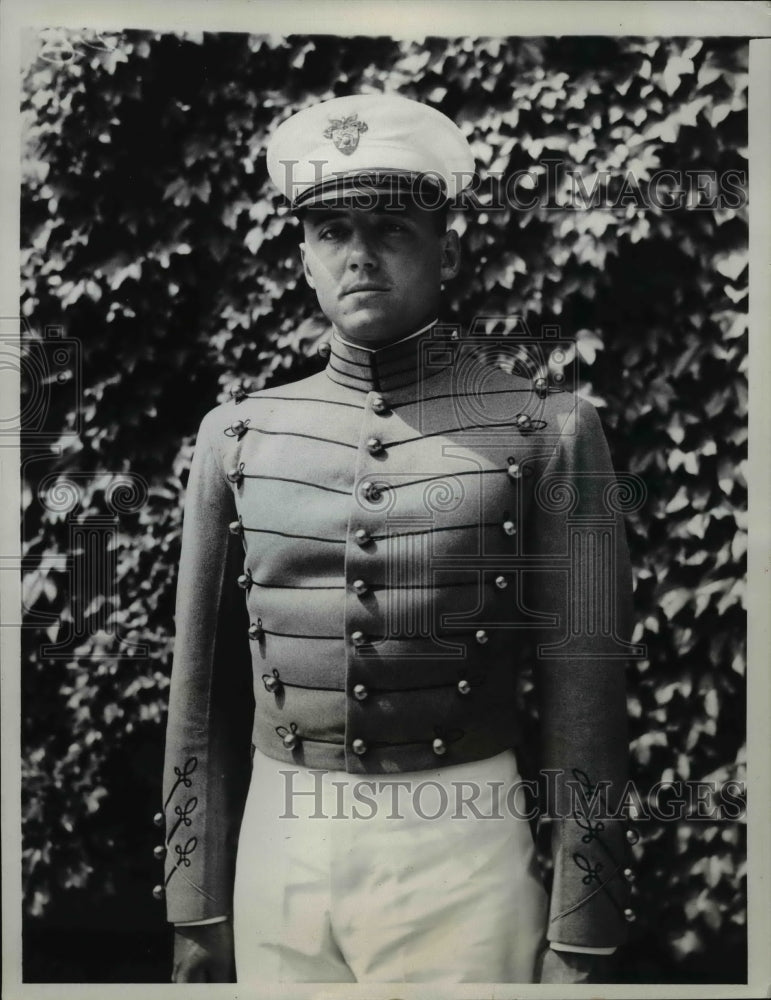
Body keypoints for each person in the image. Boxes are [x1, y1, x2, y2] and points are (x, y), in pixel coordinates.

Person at [155, 93, 639, 985]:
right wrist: (197, 903)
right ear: (302, 256)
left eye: (391, 228)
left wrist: (584, 929)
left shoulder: (545, 429)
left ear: (447, 249)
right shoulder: (238, 434)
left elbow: (586, 710)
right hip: (278, 842)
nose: (360, 256)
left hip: (458, 849)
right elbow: (203, 699)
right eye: (331, 230)